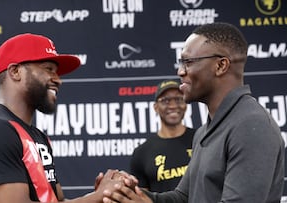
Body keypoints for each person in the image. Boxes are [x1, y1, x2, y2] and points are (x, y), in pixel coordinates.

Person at [102, 22, 285, 203]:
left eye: (188, 62)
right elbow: (183, 198)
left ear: (221, 66)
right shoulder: (204, 132)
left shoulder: (251, 125)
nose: (180, 71)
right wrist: (128, 194)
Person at [0, 33, 135, 203]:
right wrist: (96, 197)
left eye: (57, 72)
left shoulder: (37, 136)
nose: (58, 80)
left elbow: (55, 201)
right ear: (15, 72)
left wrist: (101, 197)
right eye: (48, 69)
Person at [129, 80, 195, 192]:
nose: (173, 106)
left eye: (178, 99)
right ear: (155, 107)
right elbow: (141, 198)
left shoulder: (201, 139)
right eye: (166, 101)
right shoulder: (142, 153)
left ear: (185, 104)